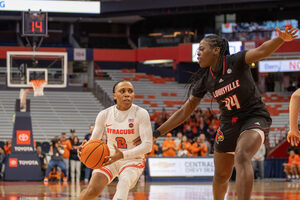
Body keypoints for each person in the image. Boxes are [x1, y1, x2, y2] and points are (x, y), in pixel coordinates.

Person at [152, 27, 298, 200]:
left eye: (202, 49)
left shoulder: (235, 61)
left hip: (254, 117)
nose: (198, 53)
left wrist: (280, 39)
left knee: (242, 155)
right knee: (221, 175)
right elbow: (185, 111)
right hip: (228, 124)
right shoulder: (206, 79)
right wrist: (157, 132)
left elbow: (261, 51)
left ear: (216, 50)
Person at [78, 80, 152, 200]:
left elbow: (148, 146)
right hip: (109, 158)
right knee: (91, 191)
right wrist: (84, 150)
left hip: (133, 160)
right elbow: (94, 141)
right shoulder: (104, 114)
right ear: (114, 95)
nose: (127, 94)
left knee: (124, 182)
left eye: (130, 91)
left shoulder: (141, 113)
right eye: (122, 91)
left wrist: (122, 155)